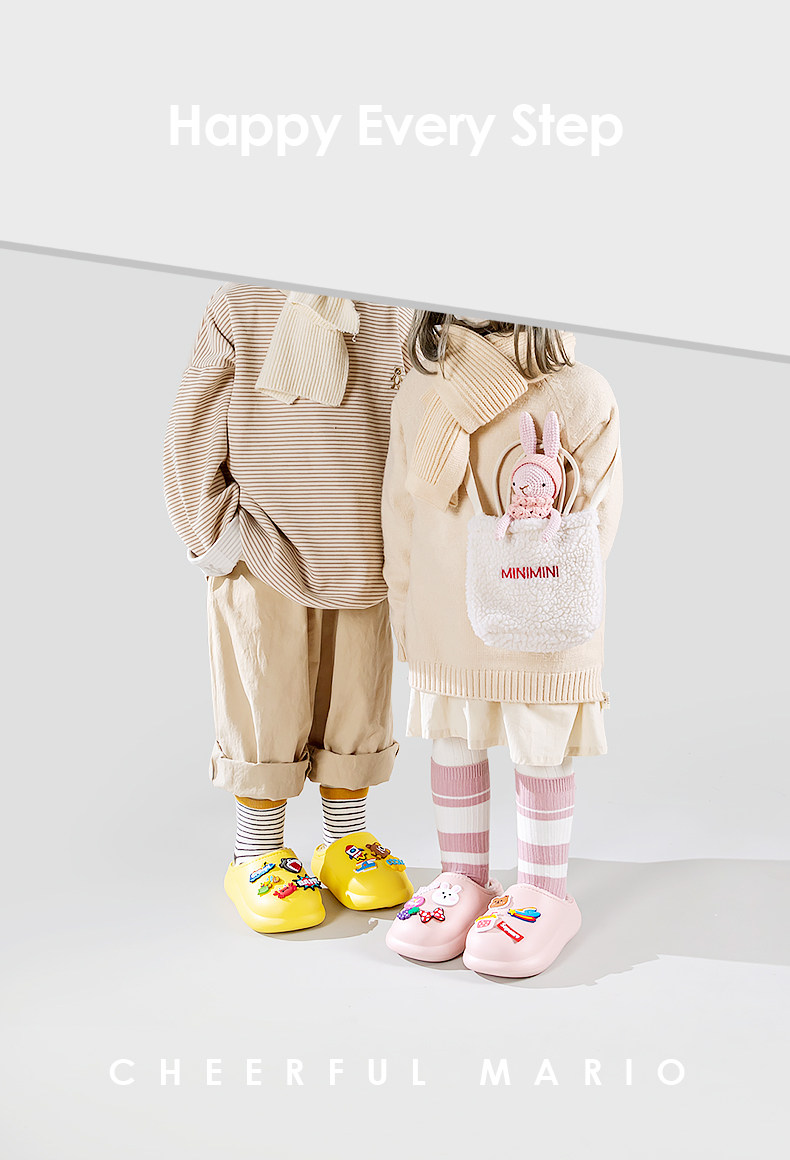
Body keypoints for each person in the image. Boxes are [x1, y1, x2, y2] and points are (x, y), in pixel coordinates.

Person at [164, 286, 415, 933]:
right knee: (263, 692)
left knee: (356, 694)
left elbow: (422, 415)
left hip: (361, 542)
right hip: (263, 544)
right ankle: (257, 847)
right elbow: (194, 422)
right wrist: (211, 532)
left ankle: (343, 837)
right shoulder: (240, 303)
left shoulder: (395, 307)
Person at [381, 315, 622, 976]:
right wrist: (405, 608)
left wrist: (540, 598)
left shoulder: (581, 392)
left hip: (538, 621)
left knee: (539, 740)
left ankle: (543, 889)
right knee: (454, 737)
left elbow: (595, 521)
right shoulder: (418, 392)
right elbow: (400, 514)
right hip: (450, 613)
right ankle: (463, 878)